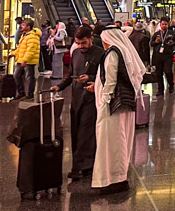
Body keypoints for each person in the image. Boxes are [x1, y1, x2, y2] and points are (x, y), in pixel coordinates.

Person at [92, 23, 145, 194]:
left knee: (112, 142)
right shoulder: (120, 52)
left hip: (112, 106)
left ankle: (114, 179)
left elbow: (111, 81)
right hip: (122, 105)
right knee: (119, 139)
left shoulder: (112, 54)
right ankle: (117, 177)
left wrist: (104, 100)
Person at [53, 24, 101, 181]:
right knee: (75, 131)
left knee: (86, 133)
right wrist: (59, 86)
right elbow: (71, 76)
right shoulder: (75, 54)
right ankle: (78, 163)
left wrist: (91, 78)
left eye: (84, 43)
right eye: (78, 43)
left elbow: (106, 77)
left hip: (91, 99)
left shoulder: (101, 54)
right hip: (76, 98)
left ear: (91, 39)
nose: (81, 46)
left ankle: (84, 166)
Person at [12, 17, 41, 99]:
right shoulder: (25, 35)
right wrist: (14, 53)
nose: (21, 26)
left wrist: (25, 60)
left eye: (23, 25)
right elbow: (21, 48)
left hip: (28, 61)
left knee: (29, 77)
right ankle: (21, 92)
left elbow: (31, 50)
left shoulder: (33, 36)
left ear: (28, 27)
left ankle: (30, 94)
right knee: (16, 75)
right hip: (21, 59)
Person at [150, 17, 175, 95]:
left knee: (168, 71)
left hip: (168, 55)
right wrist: (156, 42)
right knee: (158, 73)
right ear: (160, 25)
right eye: (162, 24)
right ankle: (160, 89)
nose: (164, 26)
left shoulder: (171, 33)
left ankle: (171, 85)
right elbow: (151, 43)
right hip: (158, 55)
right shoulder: (157, 34)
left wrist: (172, 43)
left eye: (166, 24)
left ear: (168, 24)